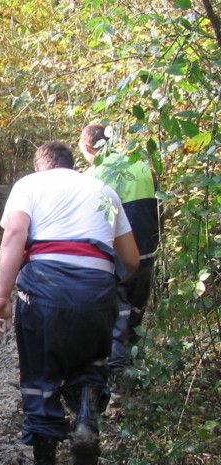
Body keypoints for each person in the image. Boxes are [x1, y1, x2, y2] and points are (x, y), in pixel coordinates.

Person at [0, 141, 139, 465]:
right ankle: (86, 419)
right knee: (91, 361)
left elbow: (13, 235)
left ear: (42, 166)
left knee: (40, 378)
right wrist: (104, 287)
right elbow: (132, 260)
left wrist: (1, 297)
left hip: (44, 290)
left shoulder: (30, 185)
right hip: (97, 287)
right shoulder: (104, 189)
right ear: (72, 165)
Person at [79, 125, 160, 402]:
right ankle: (127, 376)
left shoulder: (93, 177)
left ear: (88, 148)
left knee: (115, 320)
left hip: (116, 259)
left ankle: (113, 388)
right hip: (148, 255)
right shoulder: (143, 165)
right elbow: (160, 208)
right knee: (134, 318)